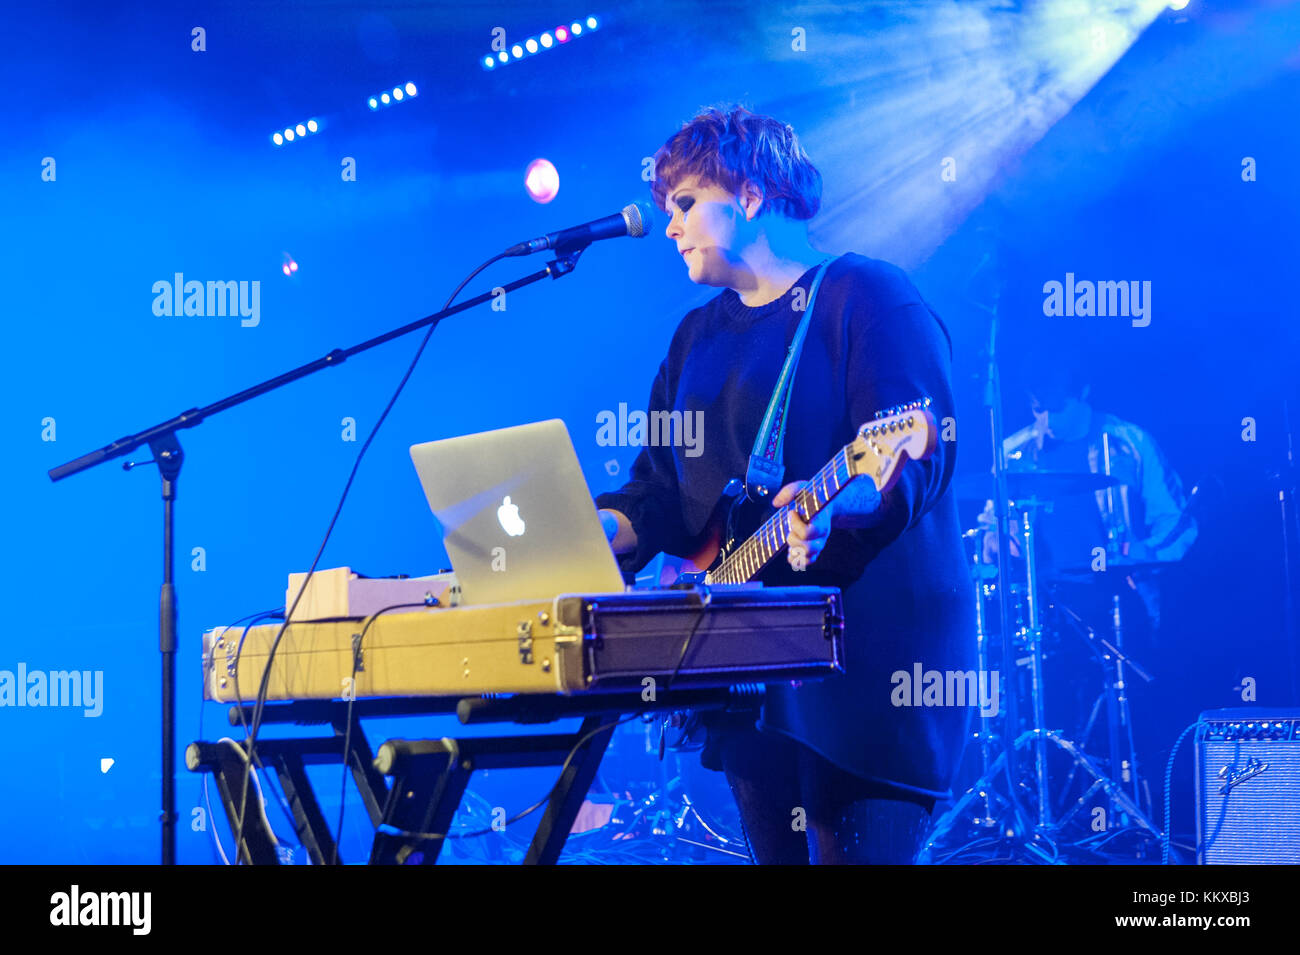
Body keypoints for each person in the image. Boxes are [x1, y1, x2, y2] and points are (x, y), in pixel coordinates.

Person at [594, 105, 974, 864]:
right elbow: (658, 494)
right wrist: (586, 535)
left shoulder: (869, 296)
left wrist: (842, 508)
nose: (669, 225)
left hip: (868, 673)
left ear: (750, 191)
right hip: (749, 673)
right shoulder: (694, 337)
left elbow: (912, 456)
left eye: (685, 202)